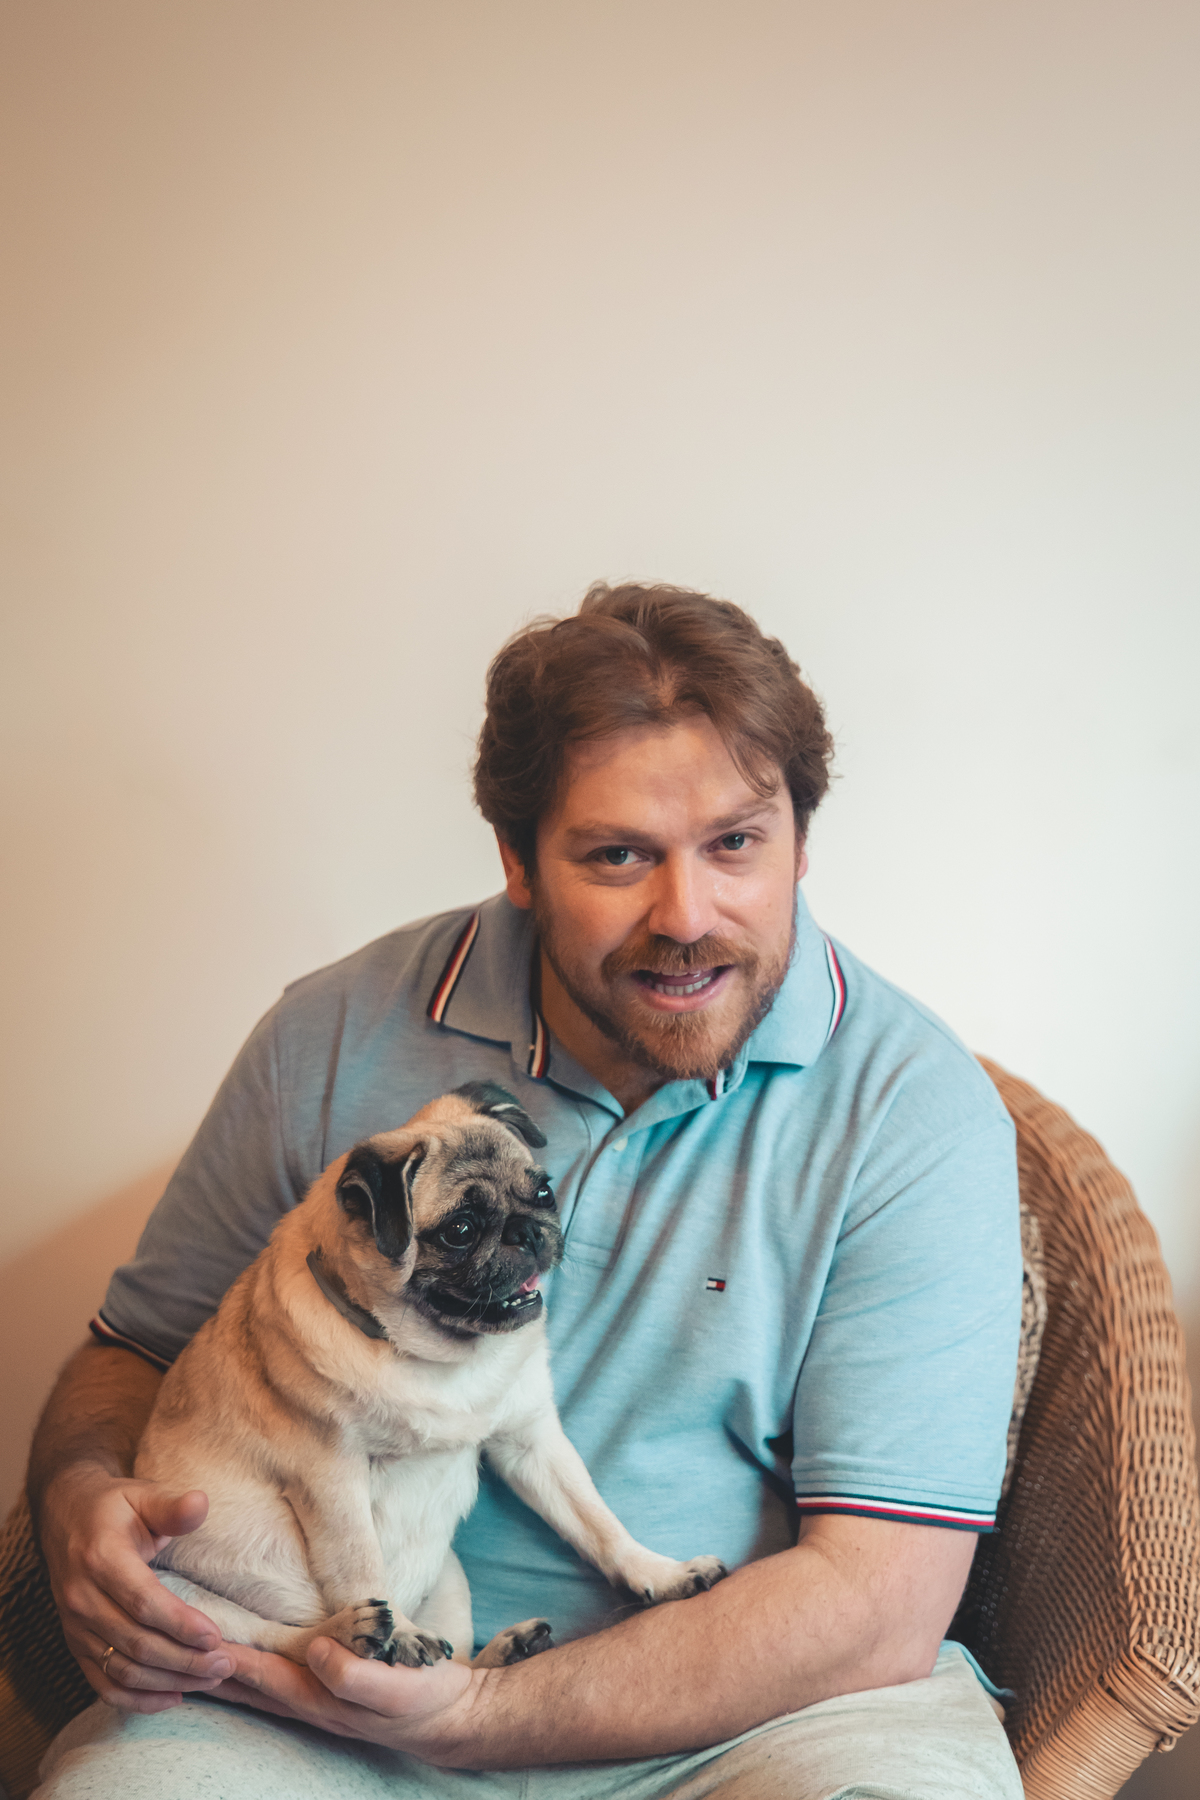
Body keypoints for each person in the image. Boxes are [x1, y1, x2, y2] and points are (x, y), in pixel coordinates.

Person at [28, 583, 1024, 1800]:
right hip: (306, 1702)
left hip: (757, 1723)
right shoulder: (327, 1035)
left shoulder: (915, 1112)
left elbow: (879, 1602)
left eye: (735, 843)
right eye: (618, 855)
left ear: (801, 843)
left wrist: (480, 1713)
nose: (686, 916)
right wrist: (77, 1499)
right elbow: (131, 1355)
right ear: (517, 861)